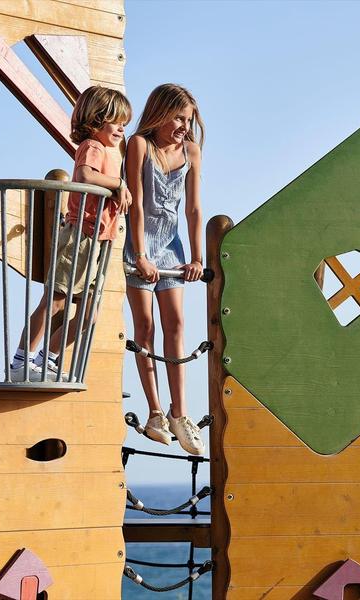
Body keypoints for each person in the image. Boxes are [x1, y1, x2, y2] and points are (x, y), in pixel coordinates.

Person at [10, 86, 132, 382]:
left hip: (101, 241)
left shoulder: (111, 152)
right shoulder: (93, 146)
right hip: (80, 236)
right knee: (55, 301)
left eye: (124, 124)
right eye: (116, 121)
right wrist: (117, 184)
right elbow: (84, 176)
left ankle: (47, 359)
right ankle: (20, 362)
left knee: (88, 315)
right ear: (96, 119)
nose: (120, 129)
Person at [124, 84, 206, 455]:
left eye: (188, 120)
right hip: (139, 246)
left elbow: (192, 209)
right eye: (177, 117)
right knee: (146, 327)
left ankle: (180, 413)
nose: (183, 127)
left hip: (172, 249)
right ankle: (155, 411)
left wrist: (197, 258)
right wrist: (140, 254)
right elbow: (137, 205)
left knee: (176, 325)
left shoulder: (190, 151)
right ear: (160, 113)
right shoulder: (139, 145)